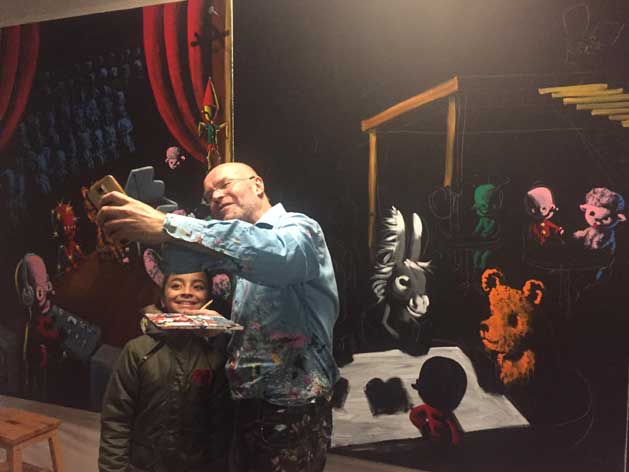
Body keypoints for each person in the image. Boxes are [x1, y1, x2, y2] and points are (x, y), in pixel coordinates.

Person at [97, 162, 340, 472]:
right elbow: (267, 333)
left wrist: (167, 225)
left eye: (224, 185)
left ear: (257, 184)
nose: (215, 197)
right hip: (247, 412)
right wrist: (222, 330)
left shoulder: (298, 229)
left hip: (291, 413)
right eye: (209, 196)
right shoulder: (238, 256)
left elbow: (280, 257)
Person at [98, 247, 232, 472]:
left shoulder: (214, 357)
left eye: (198, 286)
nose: (186, 292)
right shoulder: (137, 351)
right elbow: (116, 420)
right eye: (176, 285)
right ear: (162, 297)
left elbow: (219, 429)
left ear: (208, 298)